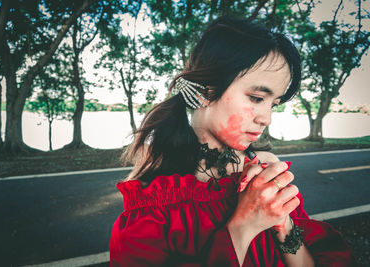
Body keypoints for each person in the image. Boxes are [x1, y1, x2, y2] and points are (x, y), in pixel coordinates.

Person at [110, 16, 356, 266]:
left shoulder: (266, 170)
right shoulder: (153, 202)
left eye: (274, 105)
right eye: (257, 98)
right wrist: (243, 226)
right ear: (206, 90)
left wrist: (283, 224)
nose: (267, 119)